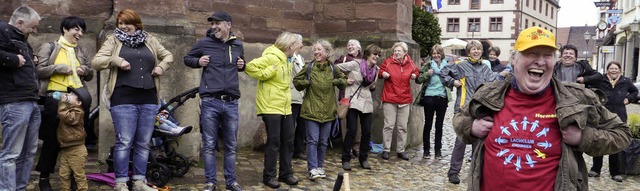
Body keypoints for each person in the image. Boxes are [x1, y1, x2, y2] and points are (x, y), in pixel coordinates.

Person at [453, 26, 631, 190]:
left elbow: (622, 133)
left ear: (554, 62)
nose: (540, 61)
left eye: (547, 55)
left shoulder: (575, 99)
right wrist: (471, 127)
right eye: (531, 53)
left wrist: (583, 137)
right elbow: (459, 118)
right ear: (514, 59)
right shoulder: (489, 94)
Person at [91, 9, 173, 191]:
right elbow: (96, 61)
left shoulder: (150, 40)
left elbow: (168, 55)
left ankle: (139, 182)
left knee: (143, 143)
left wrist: (161, 67)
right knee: (125, 142)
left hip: (148, 98)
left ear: (136, 23)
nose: (123, 27)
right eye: (120, 23)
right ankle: (120, 183)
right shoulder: (113, 40)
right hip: (123, 98)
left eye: (126, 23)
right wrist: (116, 60)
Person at [183, 11, 244, 191]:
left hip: (231, 102)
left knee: (231, 145)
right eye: (212, 24)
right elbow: (187, 58)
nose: (214, 27)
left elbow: (241, 63)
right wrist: (198, 61)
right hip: (210, 101)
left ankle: (231, 182)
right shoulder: (204, 43)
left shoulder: (237, 45)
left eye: (217, 23)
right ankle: (210, 182)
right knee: (209, 144)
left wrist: (243, 66)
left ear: (228, 25)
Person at [34, 16, 94, 191]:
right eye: (76, 29)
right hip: (55, 99)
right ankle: (44, 178)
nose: (80, 33)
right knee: (52, 139)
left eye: (82, 30)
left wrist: (85, 70)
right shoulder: (50, 47)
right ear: (65, 30)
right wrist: (59, 68)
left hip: (77, 99)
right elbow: (39, 70)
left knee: (75, 141)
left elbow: (89, 74)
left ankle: (74, 177)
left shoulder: (80, 51)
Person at [244, 32, 303, 188]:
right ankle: (269, 176)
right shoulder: (271, 57)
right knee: (274, 142)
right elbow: (249, 67)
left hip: (285, 106)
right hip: (270, 106)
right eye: (296, 45)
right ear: (290, 46)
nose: (299, 47)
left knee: (289, 140)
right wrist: (268, 73)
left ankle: (286, 174)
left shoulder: (288, 59)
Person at [440, 40, 499, 184]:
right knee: (460, 142)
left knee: (478, 144)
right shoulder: (460, 66)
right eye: (473, 49)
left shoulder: (485, 68)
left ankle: (476, 174)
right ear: (468, 52)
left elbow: (495, 82)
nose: (476, 51)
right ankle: (453, 172)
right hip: (463, 108)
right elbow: (443, 73)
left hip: (479, 109)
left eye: (478, 49)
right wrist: (452, 82)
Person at [0, 6, 41, 191]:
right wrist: (13, 59)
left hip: (30, 99)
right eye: (33, 27)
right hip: (14, 101)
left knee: (28, 152)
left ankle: (20, 188)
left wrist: (31, 59)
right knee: (11, 154)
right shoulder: (2, 30)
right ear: (20, 22)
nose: (35, 31)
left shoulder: (22, 39)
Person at [293, 40, 347, 180]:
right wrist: (306, 83)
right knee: (312, 140)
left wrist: (337, 82)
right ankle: (312, 169)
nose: (316, 52)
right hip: (311, 110)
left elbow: (344, 81)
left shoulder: (333, 69)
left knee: (323, 142)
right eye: (314, 50)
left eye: (319, 50)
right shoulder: (309, 67)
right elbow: (297, 82)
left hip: (328, 111)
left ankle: (319, 167)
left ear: (327, 52)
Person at [588, 61, 638, 182]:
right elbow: (589, 89)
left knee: (615, 143)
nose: (614, 70)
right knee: (599, 142)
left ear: (620, 70)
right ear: (607, 70)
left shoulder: (625, 81)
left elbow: (635, 92)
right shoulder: (601, 80)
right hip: (602, 116)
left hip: (618, 116)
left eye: (616, 68)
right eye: (611, 68)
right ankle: (596, 169)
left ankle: (614, 172)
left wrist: (629, 99)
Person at [336, 44, 381, 170]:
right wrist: (344, 79)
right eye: (374, 54)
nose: (376, 57)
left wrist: (373, 86)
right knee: (352, 130)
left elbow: (372, 85)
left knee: (366, 131)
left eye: (378, 55)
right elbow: (336, 68)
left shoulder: (376, 70)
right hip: (353, 99)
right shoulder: (355, 64)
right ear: (368, 54)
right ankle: (346, 158)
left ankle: (363, 158)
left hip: (366, 101)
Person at [378, 42, 419, 161]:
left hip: (404, 99)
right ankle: (386, 149)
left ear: (405, 53)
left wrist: (414, 75)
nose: (396, 53)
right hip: (390, 98)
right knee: (389, 125)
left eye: (399, 51)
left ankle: (400, 150)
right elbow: (380, 71)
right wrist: (383, 74)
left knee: (402, 127)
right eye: (395, 51)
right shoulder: (388, 62)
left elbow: (416, 71)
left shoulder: (410, 63)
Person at [415, 45, 451, 160]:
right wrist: (427, 74)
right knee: (428, 124)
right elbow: (418, 79)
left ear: (442, 54)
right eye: (434, 53)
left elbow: (453, 79)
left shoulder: (447, 66)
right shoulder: (428, 65)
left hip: (442, 97)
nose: (436, 55)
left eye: (438, 53)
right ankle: (426, 150)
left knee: (439, 125)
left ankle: (438, 150)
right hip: (429, 96)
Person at [50, 91, 88, 191]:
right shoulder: (66, 109)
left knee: (79, 175)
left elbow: (69, 119)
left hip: (77, 149)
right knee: (63, 174)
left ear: (78, 102)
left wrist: (62, 103)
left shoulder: (78, 112)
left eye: (72, 95)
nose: (68, 94)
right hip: (65, 148)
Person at [334, 39, 363, 157]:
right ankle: (347, 146)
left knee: (358, 123)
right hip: (345, 95)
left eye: (352, 45)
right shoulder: (342, 59)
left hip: (360, 95)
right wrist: (344, 80)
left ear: (358, 48)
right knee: (345, 122)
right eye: (348, 45)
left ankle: (357, 145)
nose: (350, 47)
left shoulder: (363, 60)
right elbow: (334, 70)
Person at [291, 47, 307, 160]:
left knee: (302, 125)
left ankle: (299, 149)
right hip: (293, 95)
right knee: (290, 125)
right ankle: (288, 149)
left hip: (303, 96)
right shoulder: (290, 58)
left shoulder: (301, 58)